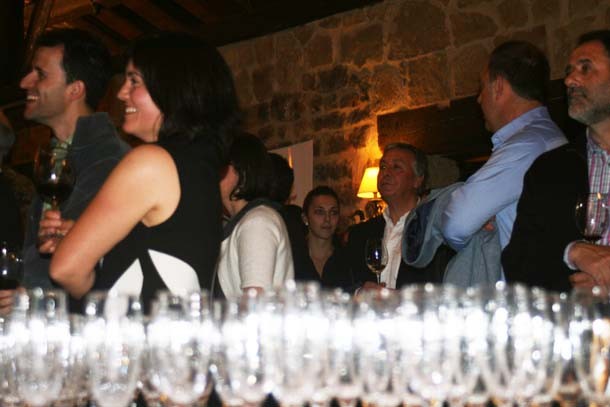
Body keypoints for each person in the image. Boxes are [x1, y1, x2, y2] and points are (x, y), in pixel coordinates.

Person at [45, 32, 240, 311]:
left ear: (172, 87)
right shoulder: (200, 167)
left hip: (132, 337)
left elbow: (66, 269)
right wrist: (82, 238)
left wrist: (76, 261)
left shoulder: (151, 162)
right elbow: (162, 250)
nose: (121, 93)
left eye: (134, 81)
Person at [6, 29, 129, 309]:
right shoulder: (59, 155)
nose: (25, 83)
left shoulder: (107, 159)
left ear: (75, 89)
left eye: (40, 74)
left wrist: (27, 295)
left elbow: (80, 258)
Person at [503, 30, 610, 291]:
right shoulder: (550, 170)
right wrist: (572, 254)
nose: (570, 80)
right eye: (569, 72)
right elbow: (517, 261)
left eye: (585, 68)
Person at [441, 41, 567, 257]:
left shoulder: (528, 146)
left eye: (482, 88)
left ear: (498, 86)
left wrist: (475, 228)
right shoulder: (544, 136)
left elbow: (455, 223)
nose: (479, 99)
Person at [346, 143, 446, 290]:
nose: (386, 173)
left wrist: (402, 298)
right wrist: (358, 293)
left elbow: (445, 287)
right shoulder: (360, 234)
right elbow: (343, 282)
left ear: (417, 180)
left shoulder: (435, 231)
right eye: (383, 167)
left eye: (396, 167)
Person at [216, 133, 294, 299]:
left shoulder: (257, 222)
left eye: (220, 164)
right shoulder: (249, 220)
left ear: (242, 172)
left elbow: (255, 302)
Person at [298, 186, 352, 289]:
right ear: (305, 218)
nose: (327, 219)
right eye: (320, 212)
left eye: (333, 212)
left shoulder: (348, 260)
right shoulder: (293, 257)